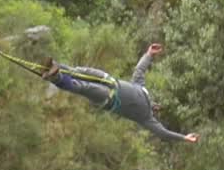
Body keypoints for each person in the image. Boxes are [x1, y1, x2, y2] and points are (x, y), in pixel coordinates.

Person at [39, 43, 199, 143]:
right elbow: (139, 70)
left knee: (83, 87)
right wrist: (148, 54)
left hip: (109, 98)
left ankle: (56, 77)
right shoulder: (142, 88)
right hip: (109, 81)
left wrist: (184, 137)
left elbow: (163, 133)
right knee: (79, 71)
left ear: (155, 112)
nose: (156, 107)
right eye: (157, 106)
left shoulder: (146, 118)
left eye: (157, 109)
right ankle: (54, 66)